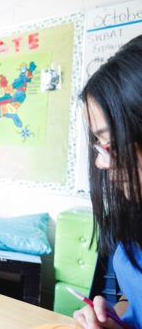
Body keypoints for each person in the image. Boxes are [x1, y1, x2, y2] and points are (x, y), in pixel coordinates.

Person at [74, 35, 142, 329]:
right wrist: (116, 321)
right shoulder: (133, 214)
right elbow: (132, 299)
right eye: (98, 146)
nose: (101, 163)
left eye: (109, 145)